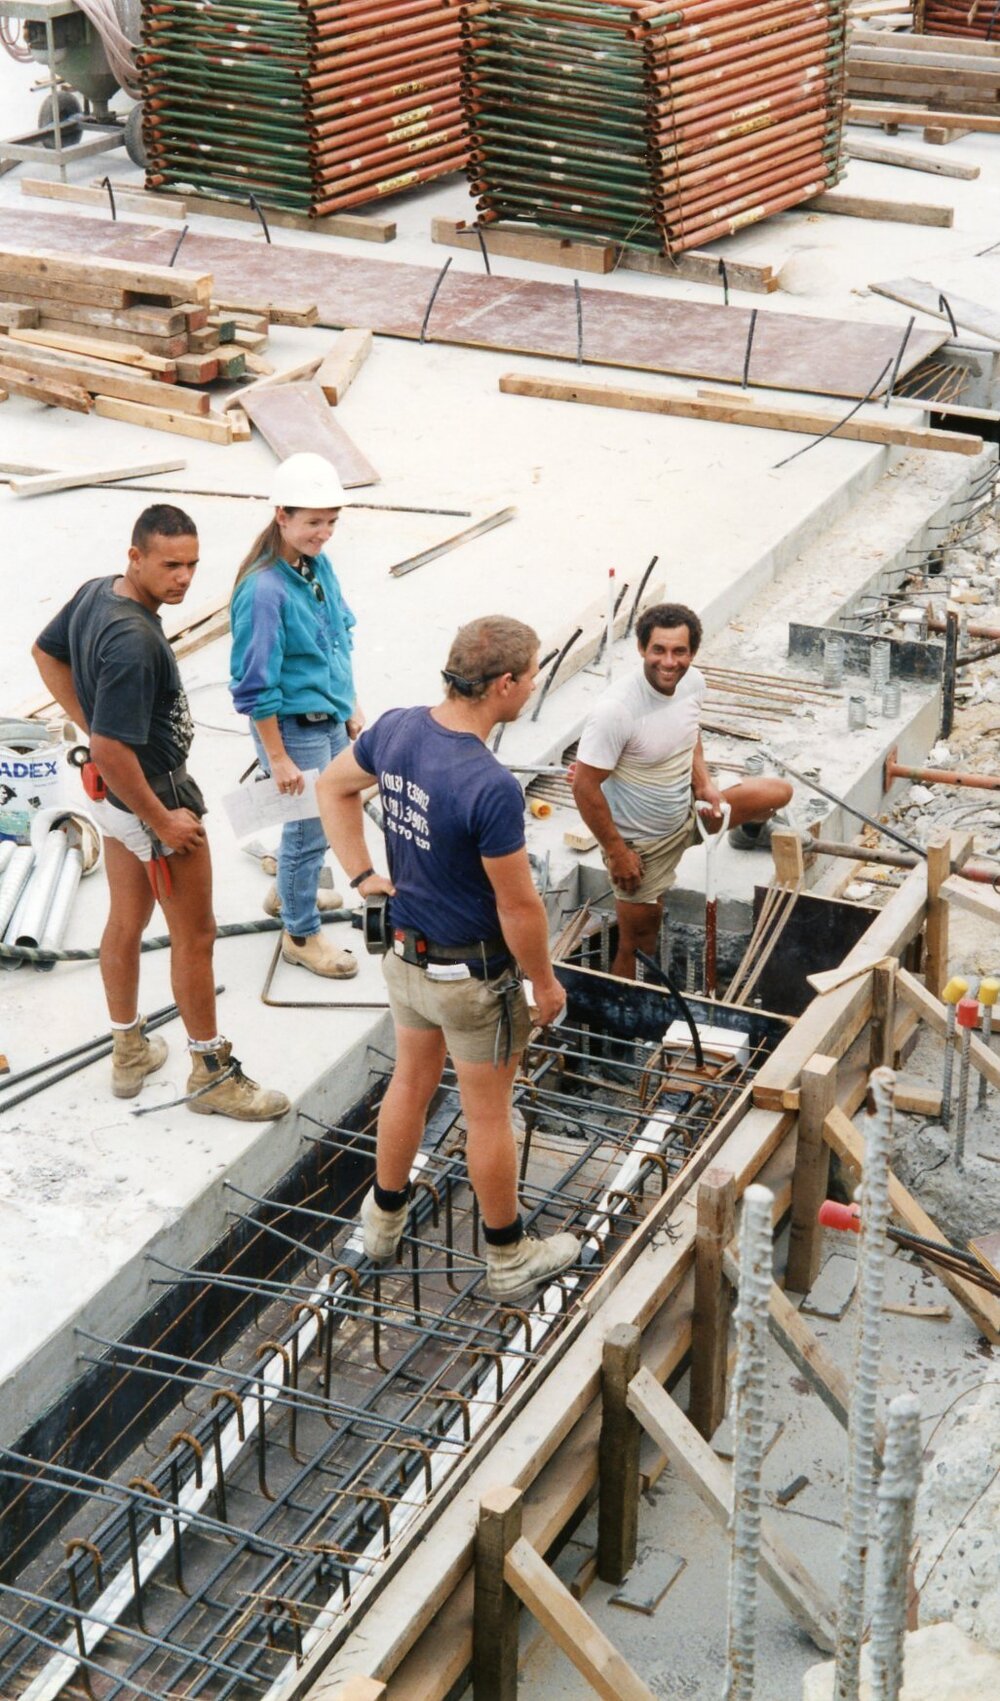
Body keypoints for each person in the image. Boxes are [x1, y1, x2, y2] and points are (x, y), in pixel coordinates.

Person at [317, 616, 579, 1302]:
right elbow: (520, 907)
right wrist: (545, 981)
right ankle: (507, 1255)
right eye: (534, 673)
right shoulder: (489, 783)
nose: (535, 685)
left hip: (406, 959)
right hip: (471, 979)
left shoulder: (400, 727)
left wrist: (362, 874)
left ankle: (380, 1222)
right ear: (505, 683)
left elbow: (333, 787)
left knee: (409, 1084)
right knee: (489, 1114)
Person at [32, 505, 290, 1119]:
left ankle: (129, 1051)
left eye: (193, 564)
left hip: (115, 797)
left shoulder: (98, 594)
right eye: (171, 565)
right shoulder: (134, 640)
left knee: (125, 919)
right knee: (194, 936)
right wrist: (162, 818)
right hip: (154, 796)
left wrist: (92, 725)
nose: (184, 578)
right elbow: (110, 748)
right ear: (136, 557)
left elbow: (46, 654)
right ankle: (210, 1076)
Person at [572, 602, 793, 980]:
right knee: (639, 944)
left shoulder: (693, 683)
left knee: (778, 792)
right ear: (642, 648)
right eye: (659, 650)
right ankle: (627, 1019)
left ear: (692, 652)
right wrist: (617, 852)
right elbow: (583, 786)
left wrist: (705, 784)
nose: (669, 662)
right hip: (644, 845)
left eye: (680, 651)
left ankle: (747, 835)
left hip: (690, 811)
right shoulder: (616, 710)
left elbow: (690, 734)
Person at [229, 452, 359, 981]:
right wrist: (277, 757)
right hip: (292, 729)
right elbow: (255, 684)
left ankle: (287, 892)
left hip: (326, 716)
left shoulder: (315, 565)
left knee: (327, 817)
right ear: (281, 516)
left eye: (331, 521)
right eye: (312, 522)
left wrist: (350, 707)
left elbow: (336, 637)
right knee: (311, 832)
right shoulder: (264, 591)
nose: (324, 533)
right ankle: (301, 933)